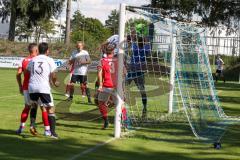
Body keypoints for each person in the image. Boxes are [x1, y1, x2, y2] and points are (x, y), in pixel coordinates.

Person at [27, 42, 60, 138]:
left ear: (38, 50)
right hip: (43, 87)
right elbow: (53, 75)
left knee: (34, 106)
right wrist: (55, 82)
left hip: (32, 86)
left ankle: (32, 125)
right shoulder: (49, 60)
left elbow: (28, 70)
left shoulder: (33, 59)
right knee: (51, 109)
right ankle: (53, 133)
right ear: (47, 50)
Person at [97, 44, 127, 129]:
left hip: (106, 85)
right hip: (117, 85)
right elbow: (124, 73)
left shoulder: (102, 60)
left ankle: (106, 122)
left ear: (105, 51)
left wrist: (100, 84)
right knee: (121, 104)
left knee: (101, 103)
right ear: (113, 52)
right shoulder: (119, 60)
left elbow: (99, 73)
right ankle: (125, 122)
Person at [16, 43, 39, 135]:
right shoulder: (38, 60)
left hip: (26, 87)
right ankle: (35, 127)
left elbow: (18, 74)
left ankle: (21, 128)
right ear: (35, 50)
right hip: (35, 87)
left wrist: (20, 86)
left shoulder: (23, 60)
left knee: (27, 107)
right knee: (38, 107)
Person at [126, 36, 151, 119]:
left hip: (135, 71)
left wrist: (134, 38)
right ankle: (145, 108)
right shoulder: (146, 47)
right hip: (136, 71)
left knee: (125, 87)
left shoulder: (136, 46)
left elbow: (130, 39)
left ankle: (144, 108)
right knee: (141, 90)